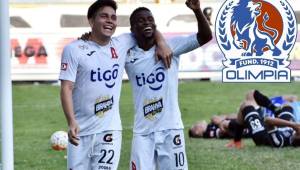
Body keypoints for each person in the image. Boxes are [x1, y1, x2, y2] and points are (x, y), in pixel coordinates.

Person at [59, 0, 171, 169]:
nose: (110, 21)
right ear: (91, 20)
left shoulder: (122, 43)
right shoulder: (73, 49)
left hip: (109, 132)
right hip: (80, 132)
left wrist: (161, 42)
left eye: (113, 17)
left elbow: (148, 30)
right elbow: (66, 87)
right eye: (104, 16)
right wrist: (71, 121)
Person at [125, 0, 212, 169]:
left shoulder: (172, 46)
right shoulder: (127, 55)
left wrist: (197, 10)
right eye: (141, 21)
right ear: (132, 29)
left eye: (150, 20)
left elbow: (205, 37)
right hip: (143, 133)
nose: (147, 23)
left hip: (171, 130)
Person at [229, 90, 300, 148]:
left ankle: (237, 142)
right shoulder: (293, 133)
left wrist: (293, 125)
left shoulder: (280, 141)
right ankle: (275, 109)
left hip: (262, 133)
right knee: (287, 105)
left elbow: (268, 121)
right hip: (278, 125)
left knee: (246, 105)